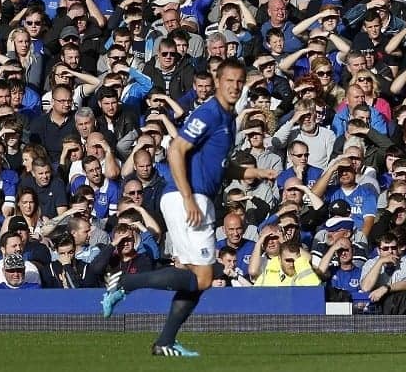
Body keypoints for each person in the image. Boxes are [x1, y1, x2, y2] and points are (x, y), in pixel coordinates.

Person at [101, 59, 276, 357]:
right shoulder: (208, 112)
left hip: (196, 198)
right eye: (229, 80)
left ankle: (165, 342)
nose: (234, 86)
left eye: (239, 81)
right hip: (189, 199)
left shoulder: (228, 120)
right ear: (217, 81)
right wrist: (188, 197)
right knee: (205, 277)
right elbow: (176, 149)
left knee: (198, 280)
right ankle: (126, 282)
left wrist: (256, 173)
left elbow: (220, 168)